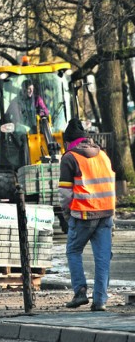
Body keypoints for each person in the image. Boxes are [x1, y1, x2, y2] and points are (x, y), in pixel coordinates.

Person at [59, 118, 116, 311]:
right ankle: (100, 301)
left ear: (68, 141)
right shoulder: (103, 156)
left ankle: (80, 291)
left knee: (73, 251)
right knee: (102, 258)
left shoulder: (69, 158)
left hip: (83, 214)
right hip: (106, 213)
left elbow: (65, 194)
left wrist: (67, 216)